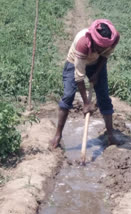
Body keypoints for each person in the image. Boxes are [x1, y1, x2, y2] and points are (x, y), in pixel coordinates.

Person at [49, 19, 120, 150]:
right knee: (69, 95)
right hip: (74, 62)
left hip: (97, 64)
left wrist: (97, 73)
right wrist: (86, 103)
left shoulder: (113, 39)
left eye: (104, 48)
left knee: (104, 96)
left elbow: (104, 56)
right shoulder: (83, 43)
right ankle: (58, 135)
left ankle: (110, 135)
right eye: (99, 47)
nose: (101, 50)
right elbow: (79, 77)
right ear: (93, 40)